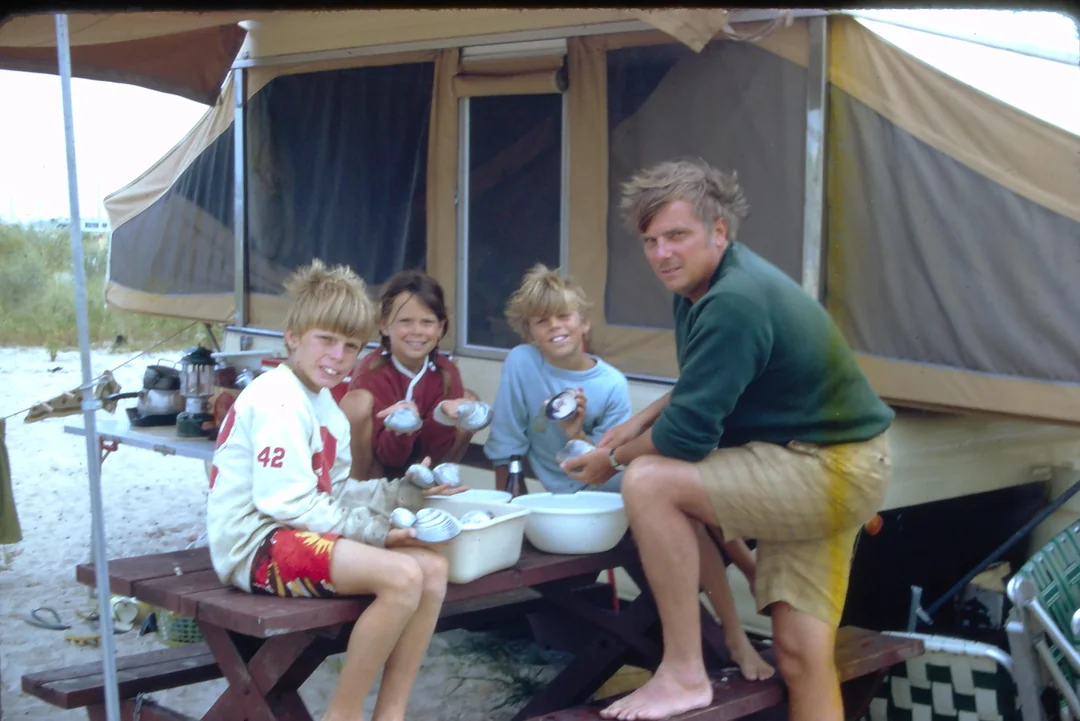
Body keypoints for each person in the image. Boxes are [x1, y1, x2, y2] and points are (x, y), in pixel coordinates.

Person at [563, 158, 895, 721]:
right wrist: (636, 421)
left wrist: (612, 458)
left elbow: (688, 438)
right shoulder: (704, 288)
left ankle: (684, 672)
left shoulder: (733, 300)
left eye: (677, 236)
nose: (662, 253)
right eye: (650, 240)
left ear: (719, 231)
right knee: (800, 654)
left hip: (823, 469)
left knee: (648, 482)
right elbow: (708, 380)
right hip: (836, 464)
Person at [485, 263, 773, 681]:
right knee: (678, 497)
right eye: (541, 321)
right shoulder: (522, 363)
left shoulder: (611, 384)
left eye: (563, 316)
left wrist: (579, 431)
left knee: (679, 503)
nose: (555, 327)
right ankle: (746, 587)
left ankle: (736, 631)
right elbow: (509, 443)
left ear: (583, 323)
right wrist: (506, 520)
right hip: (571, 502)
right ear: (529, 333)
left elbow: (609, 459)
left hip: (616, 485)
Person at [206, 259, 465, 721]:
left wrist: (404, 493)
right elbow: (287, 504)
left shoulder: (325, 403)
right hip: (254, 545)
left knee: (431, 568)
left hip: (295, 531)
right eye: (325, 340)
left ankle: (391, 713)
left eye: (350, 346)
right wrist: (377, 533)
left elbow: (338, 490)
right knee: (401, 576)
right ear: (292, 337)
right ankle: (342, 715)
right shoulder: (278, 400)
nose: (337, 357)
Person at [341, 270, 480, 481]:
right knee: (357, 402)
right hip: (377, 471)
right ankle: (356, 490)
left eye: (427, 322)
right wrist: (401, 428)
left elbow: (434, 450)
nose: (417, 331)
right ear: (385, 325)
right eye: (406, 321)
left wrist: (443, 416)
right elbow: (389, 457)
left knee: (469, 403)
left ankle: (437, 485)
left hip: (425, 463)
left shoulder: (446, 373)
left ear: (441, 328)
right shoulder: (372, 373)